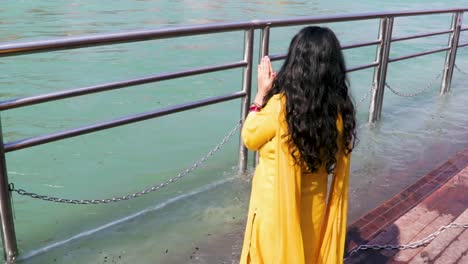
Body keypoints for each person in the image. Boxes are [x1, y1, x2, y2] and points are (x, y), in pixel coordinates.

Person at [239, 26, 356, 264]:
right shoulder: (338, 110)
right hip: (312, 209)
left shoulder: (280, 107)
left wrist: (260, 96)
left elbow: (250, 138)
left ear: (295, 63)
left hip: (275, 209)